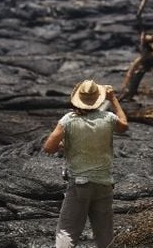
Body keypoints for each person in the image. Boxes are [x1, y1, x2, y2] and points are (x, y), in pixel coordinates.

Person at [43, 79, 129, 248]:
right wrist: (113, 99)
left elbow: (48, 148)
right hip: (104, 184)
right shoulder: (108, 118)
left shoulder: (68, 120)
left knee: (67, 231)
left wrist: (64, 145)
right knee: (104, 234)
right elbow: (124, 126)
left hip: (80, 184)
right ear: (98, 99)